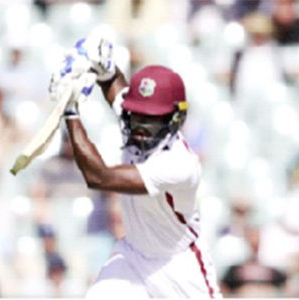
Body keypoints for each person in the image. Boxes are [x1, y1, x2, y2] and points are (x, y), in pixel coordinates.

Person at [49, 36, 221, 298]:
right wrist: (103, 67)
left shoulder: (179, 163)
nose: (140, 127)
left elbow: (100, 178)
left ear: (176, 119)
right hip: (131, 255)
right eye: (136, 116)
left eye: (151, 119)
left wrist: (70, 111)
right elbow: (116, 89)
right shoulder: (136, 121)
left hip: (178, 266)